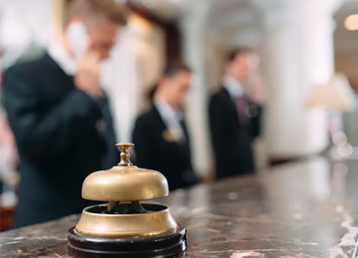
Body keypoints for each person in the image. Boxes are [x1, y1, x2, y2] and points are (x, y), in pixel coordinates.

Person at [2, 0, 127, 228]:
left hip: (96, 222)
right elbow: (34, 145)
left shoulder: (99, 89)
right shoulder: (22, 75)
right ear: (77, 29)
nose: (107, 56)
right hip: (46, 224)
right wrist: (83, 95)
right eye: (103, 45)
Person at [132, 62, 198, 191]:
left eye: (188, 90)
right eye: (182, 88)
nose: (186, 96)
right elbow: (145, 168)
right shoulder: (145, 121)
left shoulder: (180, 119)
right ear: (164, 82)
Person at [209, 48, 264, 180]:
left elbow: (256, 133)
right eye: (243, 66)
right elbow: (219, 140)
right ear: (229, 65)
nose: (247, 71)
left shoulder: (245, 98)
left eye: (250, 68)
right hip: (229, 171)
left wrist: (258, 103)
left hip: (248, 168)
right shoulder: (218, 98)